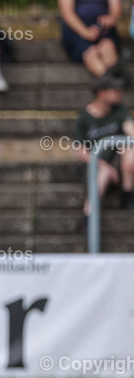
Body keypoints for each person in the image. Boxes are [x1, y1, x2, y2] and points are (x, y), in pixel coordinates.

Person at [76, 75, 134, 228]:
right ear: (102, 93)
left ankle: (128, 195)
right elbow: (81, 151)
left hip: (118, 165)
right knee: (103, 172)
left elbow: (130, 128)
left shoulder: (119, 110)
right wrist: (103, 165)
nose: (119, 93)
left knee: (129, 149)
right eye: (115, 90)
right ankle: (87, 217)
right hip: (97, 166)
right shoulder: (84, 117)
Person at [59, 0, 121, 77]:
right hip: (76, 30)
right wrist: (85, 32)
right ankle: (111, 82)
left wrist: (110, 18)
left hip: (104, 28)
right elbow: (67, 12)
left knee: (108, 46)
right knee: (91, 52)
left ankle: (109, 82)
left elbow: (115, 8)